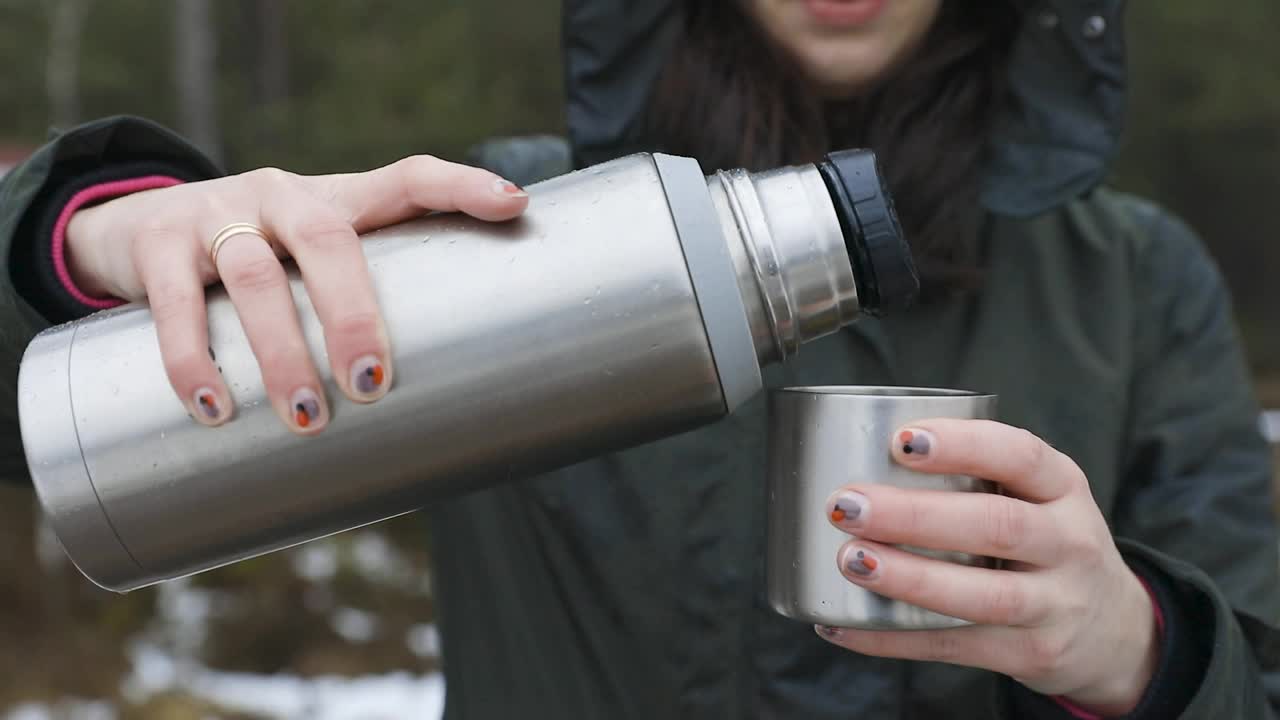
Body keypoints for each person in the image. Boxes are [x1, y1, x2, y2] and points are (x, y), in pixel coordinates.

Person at [0, 0, 1276, 717]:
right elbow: (57, 441)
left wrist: (1144, 651)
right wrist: (87, 237)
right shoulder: (498, 219)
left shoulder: (1129, 282)